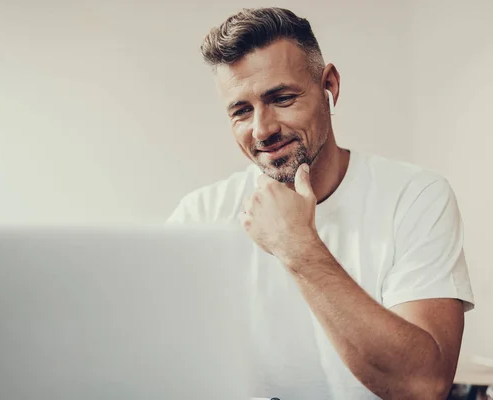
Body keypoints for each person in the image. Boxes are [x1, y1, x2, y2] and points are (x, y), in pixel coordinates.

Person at [167, 7, 475, 400]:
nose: (262, 129)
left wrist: (297, 245)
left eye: (281, 98)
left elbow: (423, 384)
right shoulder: (198, 216)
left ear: (329, 84)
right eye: (241, 111)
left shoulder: (415, 196)